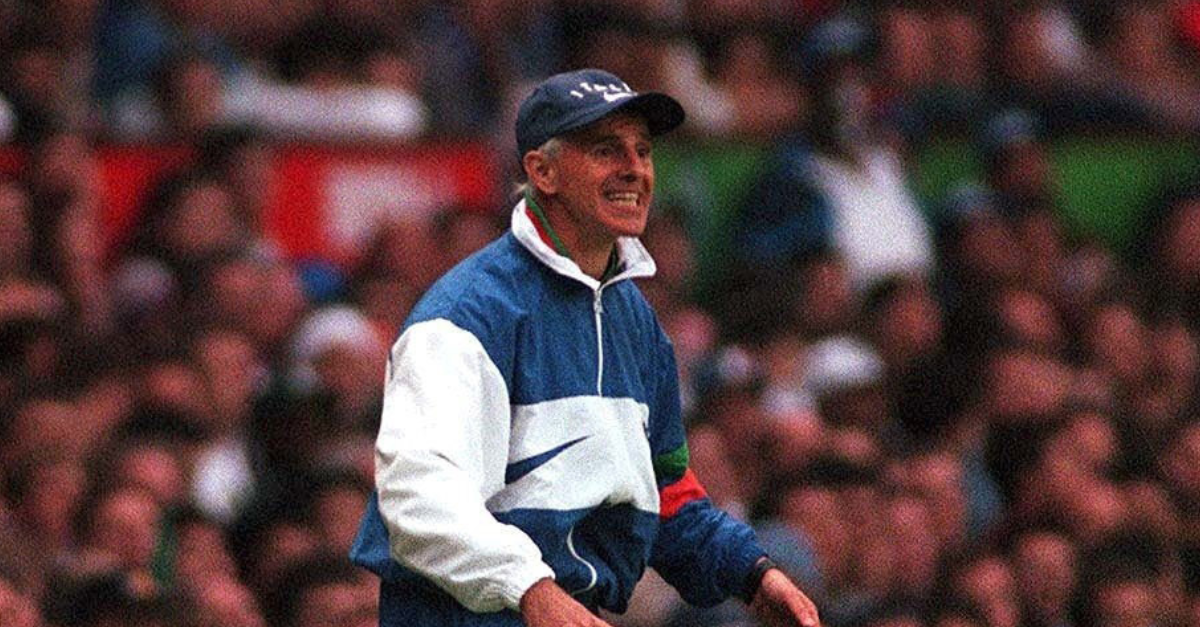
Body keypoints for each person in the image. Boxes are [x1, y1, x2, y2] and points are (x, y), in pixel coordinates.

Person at [350, 68, 821, 627]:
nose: (634, 168)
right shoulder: (465, 316)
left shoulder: (635, 320)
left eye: (642, 150)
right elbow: (417, 494)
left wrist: (750, 572)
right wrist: (531, 589)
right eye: (606, 150)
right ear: (542, 171)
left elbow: (662, 489)